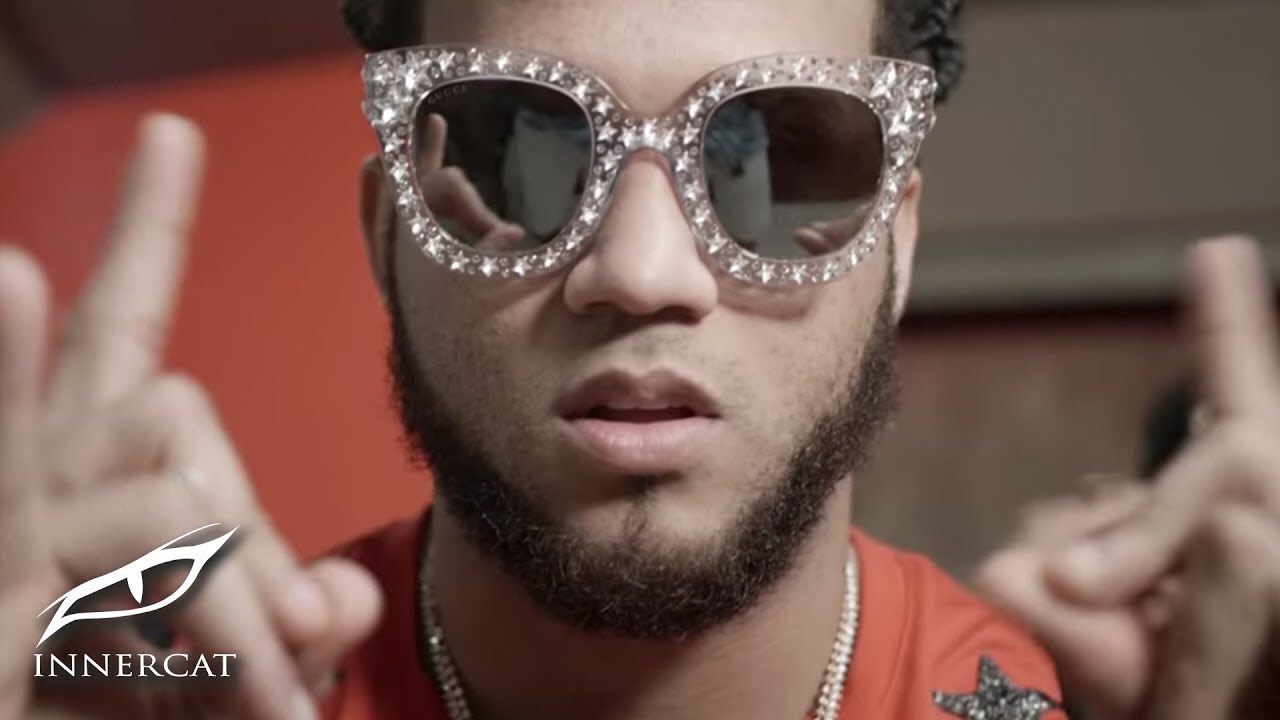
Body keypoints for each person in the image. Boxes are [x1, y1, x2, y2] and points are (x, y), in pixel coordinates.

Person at [0, 1, 1277, 719]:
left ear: (894, 254)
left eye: (775, 151)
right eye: (518, 149)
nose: (643, 270)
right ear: (388, 239)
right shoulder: (155, 693)